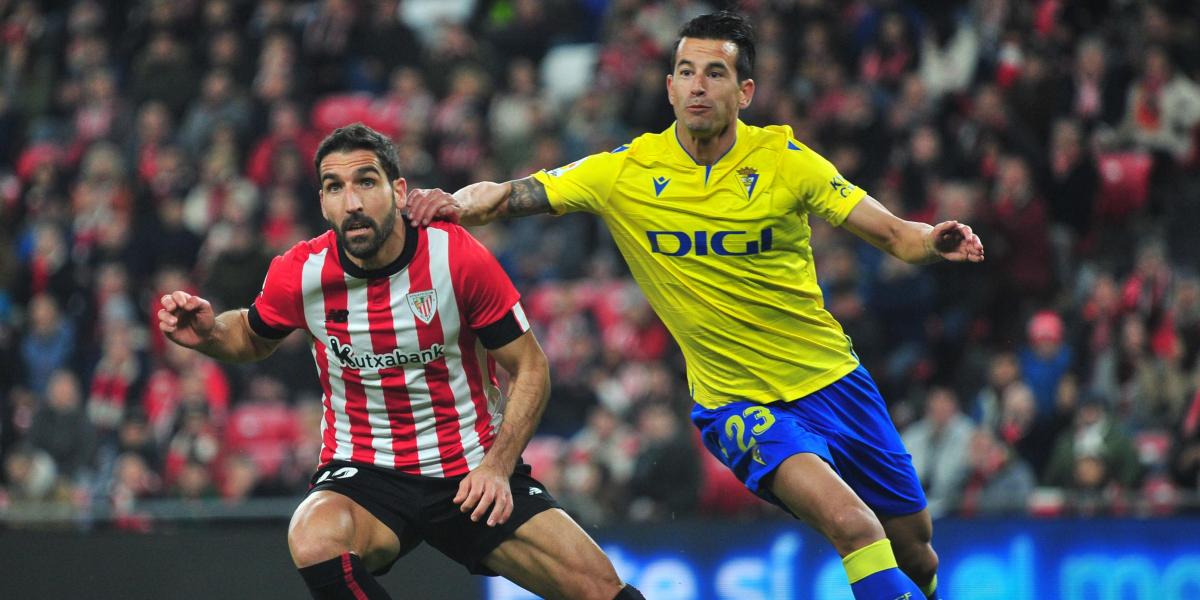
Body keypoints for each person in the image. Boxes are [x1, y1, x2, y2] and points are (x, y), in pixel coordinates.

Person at [407, 12, 985, 600]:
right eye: (685, 72)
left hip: (835, 380)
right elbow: (510, 194)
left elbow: (893, 234)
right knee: (854, 526)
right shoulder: (624, 172)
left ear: (745, 91)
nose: (698, 85)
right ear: (669, 87)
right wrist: (455, 202)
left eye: (715, 72)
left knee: (913, 544)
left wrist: (933, 240)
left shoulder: (787, 162)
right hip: (739, 402)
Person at [158, 124, 642, 600]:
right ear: (323, 203)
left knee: (600, 589)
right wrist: (208, 333)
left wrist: (497, 466)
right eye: (335, 187)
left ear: (399, 190)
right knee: (312, 534)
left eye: (366, 182)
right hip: (365, 472)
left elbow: (531, 367)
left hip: (470, 468)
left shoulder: (456, 257)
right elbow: (251, 335)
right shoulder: (300, 273)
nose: (352, 202)